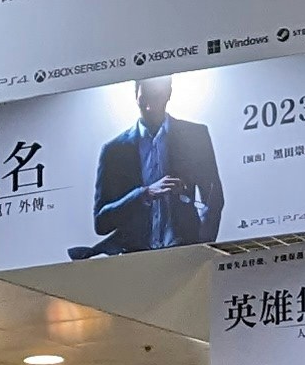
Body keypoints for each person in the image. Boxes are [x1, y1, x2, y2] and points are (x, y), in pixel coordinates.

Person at [79, 76, 223, 254]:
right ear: (135, 96)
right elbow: (101, 223)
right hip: (135, 261)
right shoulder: (113, 150)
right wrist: (144, 194)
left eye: (156, 98)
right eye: (143, 99)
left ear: (169, 94)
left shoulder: (195, 135)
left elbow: (214, 197)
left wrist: (203, 246)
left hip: (186, 255)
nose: (148, 107)